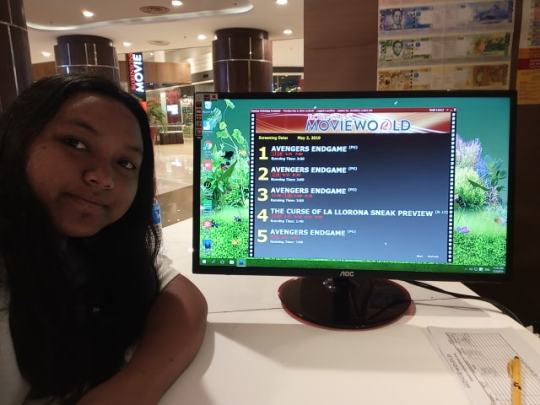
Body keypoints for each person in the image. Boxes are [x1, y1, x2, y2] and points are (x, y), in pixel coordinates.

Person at [0, 75, 208, 404]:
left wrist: (135, 387)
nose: (102, 177)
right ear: (18, 139)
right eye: (76, 143)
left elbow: (180, 295)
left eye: (125, 163)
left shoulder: (98, 242)